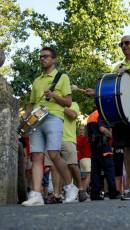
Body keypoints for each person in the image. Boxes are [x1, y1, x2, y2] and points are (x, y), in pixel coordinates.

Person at [85, 35, 130, 200]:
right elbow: (112, 89)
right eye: (121, 44)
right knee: (127, 148)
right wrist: (96, 93)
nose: (124, 46)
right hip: (121, 112)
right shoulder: (116, 66)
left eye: (127, 43)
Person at [22, 47, 78, 206]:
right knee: (37, 156)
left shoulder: (62, 77)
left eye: (46, 56)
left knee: (53, 154)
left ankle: (70, 187)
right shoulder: (36, 80)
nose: (42, 59)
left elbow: (68, 102)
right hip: (36, 119)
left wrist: (54, 96)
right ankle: (36, 195)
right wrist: (25, 118)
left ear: (54, 59)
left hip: (54, 117)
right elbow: (31, 104)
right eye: (40, 56)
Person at [76, 125, 91, 195]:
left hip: (82, 159)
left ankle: (82, 191)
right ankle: (83, 192)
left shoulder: (86, 138)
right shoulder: (79, 138)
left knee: (83, 177)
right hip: (84, 159)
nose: (81, 131)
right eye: (80, 129)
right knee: (87, 175)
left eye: (83, 130)